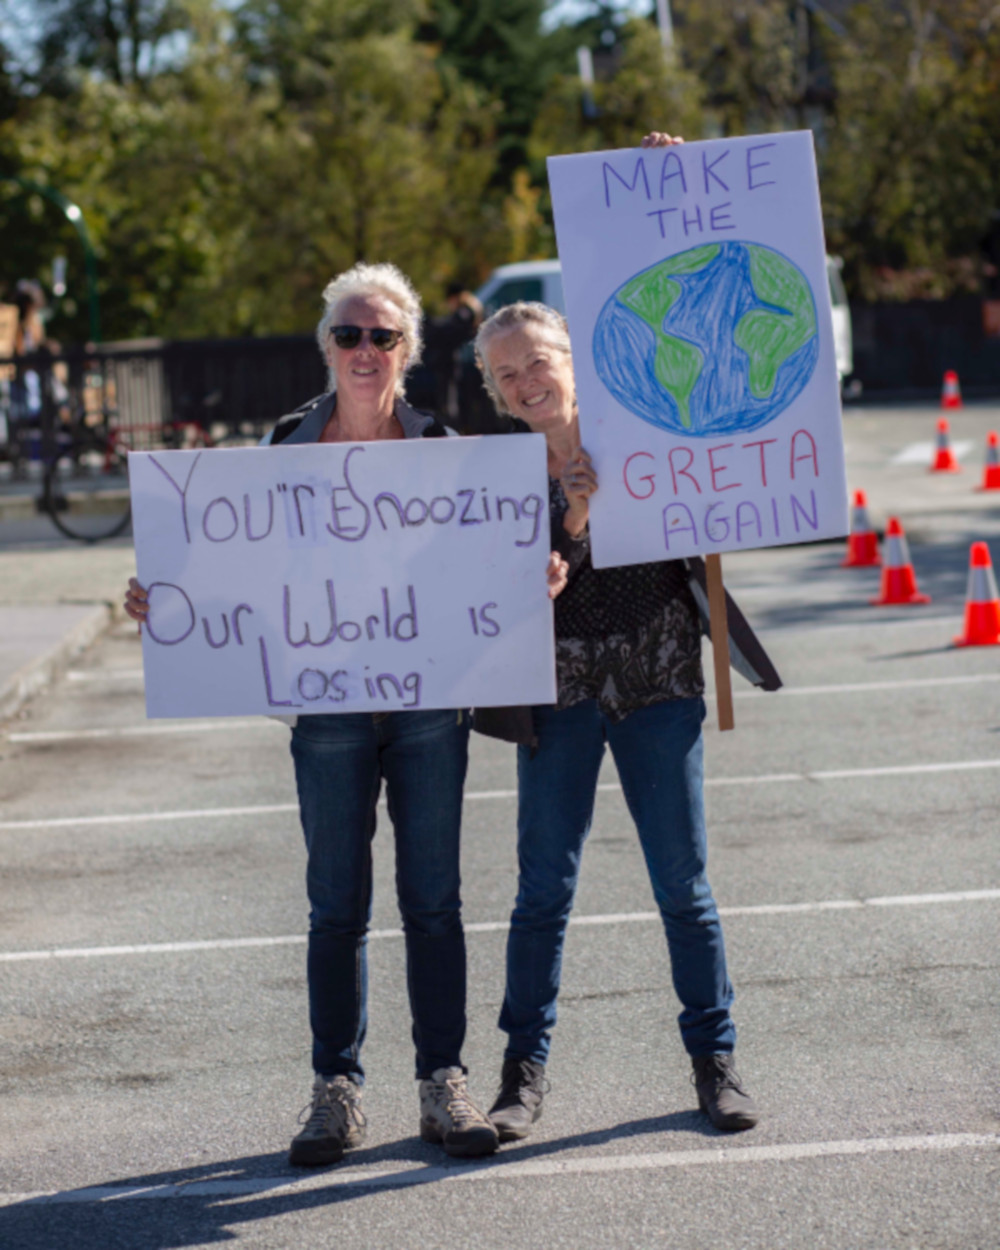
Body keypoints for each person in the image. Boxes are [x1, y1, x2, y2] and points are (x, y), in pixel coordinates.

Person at [124, 261, 568, 1168]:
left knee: (434, 903)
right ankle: (336, 1091)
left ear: (408, 348)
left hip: (425, 711)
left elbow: (488, 571)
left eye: (383, 336)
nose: (365, 351)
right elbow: (221, 562)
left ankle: (443, 1085)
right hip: (326, 711)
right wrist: (162, 598)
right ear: (326, 344)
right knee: (336, 907)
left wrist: (535, 578)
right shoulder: (281, 450)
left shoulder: (449, 448)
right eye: (348, 335)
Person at [473, 134, 761, 1141]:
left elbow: (708, 313)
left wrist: (682, 193)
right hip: (554, 684)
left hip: (658, 668)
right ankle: (521, 1074)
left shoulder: (651, 419)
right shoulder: (488, 476)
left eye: (537, 362)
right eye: (505, 373)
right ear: (492, 387)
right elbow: (493, 592)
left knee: (681, 881)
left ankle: (714, 1059)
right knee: (542, 884)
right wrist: (572, 521)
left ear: (573, 358)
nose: (524, 382)